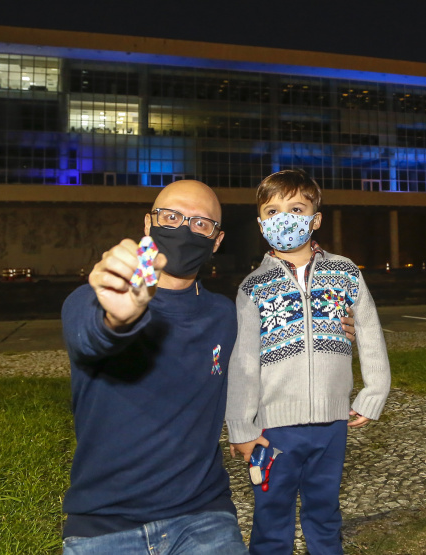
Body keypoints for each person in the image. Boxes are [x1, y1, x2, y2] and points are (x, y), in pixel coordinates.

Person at [60, 179, 354, 554]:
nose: (185, 228)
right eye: (172, 216)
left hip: (203, 515)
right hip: (104, 524)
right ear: (149, 225)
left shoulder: (225, 315)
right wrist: (119, 320)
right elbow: (92, 337)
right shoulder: (91, 299)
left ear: (216, 241)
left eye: (201, 223)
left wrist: (334, 325)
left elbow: (283, 353)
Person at [225, 169, 392, 555]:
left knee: (324, 509)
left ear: (314, 219)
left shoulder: (345, 272)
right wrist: (240, 425)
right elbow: (243, 360)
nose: (283, 218)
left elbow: (369, 331)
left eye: (296, 208)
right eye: (272, 210)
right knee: (271, 513)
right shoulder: (252, 287)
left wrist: (375, 391)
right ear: (260, 223)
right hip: (274, 428)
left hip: (332, 423)